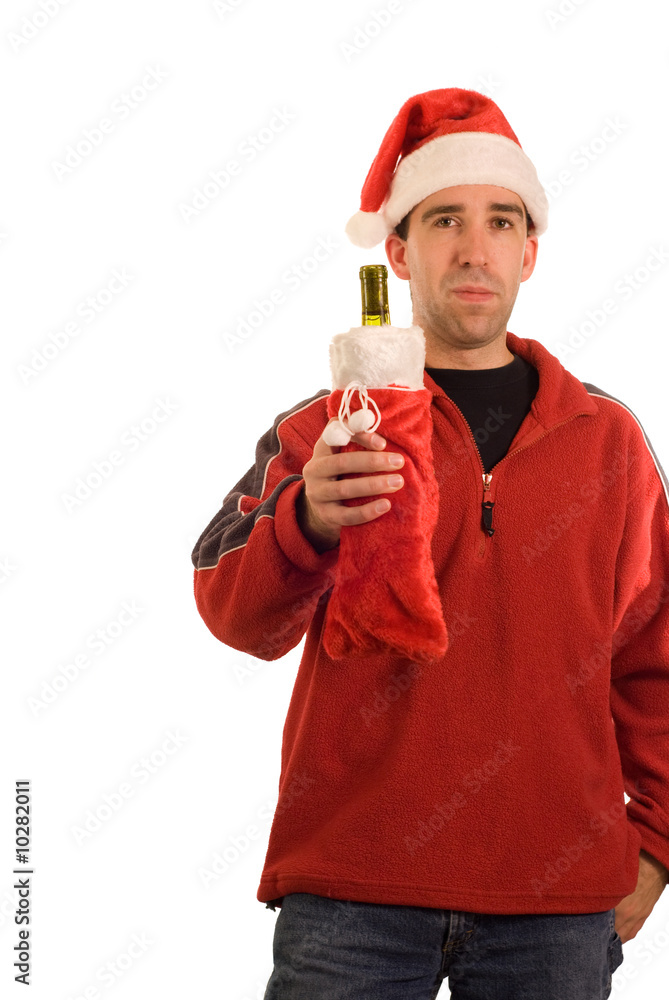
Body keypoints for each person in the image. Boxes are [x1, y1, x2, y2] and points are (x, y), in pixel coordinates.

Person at [191, 88, 669, 998]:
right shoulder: (328, 426)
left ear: (529, 253)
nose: (474, 248)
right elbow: (231, 612)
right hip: (351, 893)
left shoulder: (607, 440)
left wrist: (655, 847)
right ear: (400, 252)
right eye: (445, 219)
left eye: (500, 221)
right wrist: (306, 520)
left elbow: (656, 655)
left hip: (556, 901)